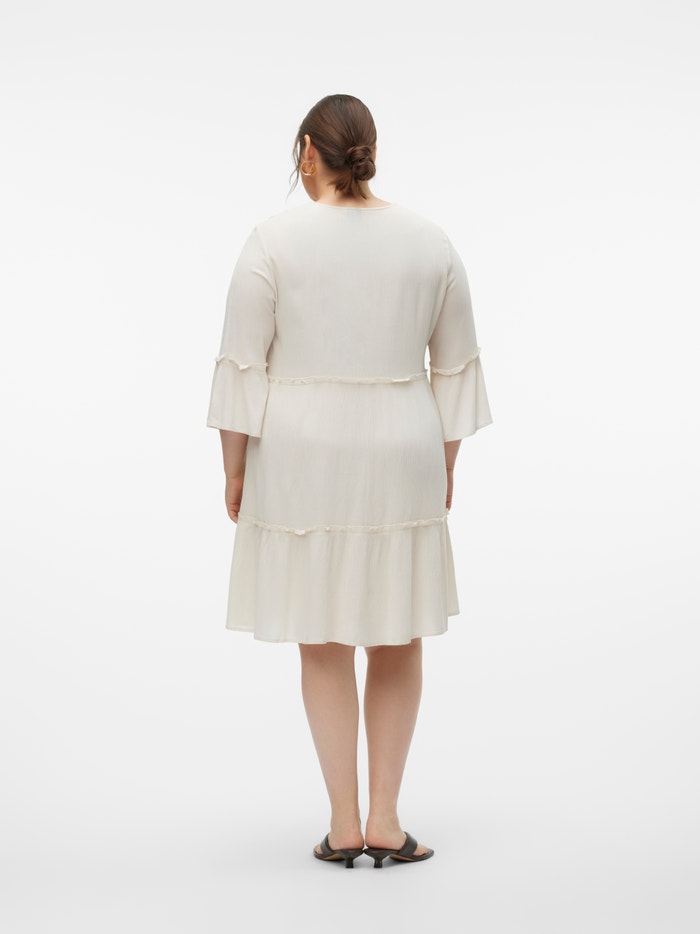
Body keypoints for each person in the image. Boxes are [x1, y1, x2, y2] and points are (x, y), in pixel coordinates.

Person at [206, 94, 493, 868]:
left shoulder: (271, 241)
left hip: (301, 452)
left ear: (309, 150)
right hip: (403, 446)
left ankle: (343, 826)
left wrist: (234, 468)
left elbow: (241, 367)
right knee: (397, 633)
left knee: (324, 637)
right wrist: (445, 463)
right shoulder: (430, 241)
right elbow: (454, 370)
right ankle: (387, 821)